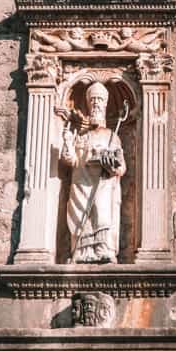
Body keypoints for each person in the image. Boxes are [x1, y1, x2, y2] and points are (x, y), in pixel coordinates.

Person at [60, 82, 126, 263]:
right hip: (81, 183)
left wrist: (111, 163)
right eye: (93, 100)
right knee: (81, 215)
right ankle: (82, 252)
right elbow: (71, 161)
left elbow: (121, 168)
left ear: (105, 106)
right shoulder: (81, 137)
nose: (96, 104)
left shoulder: (112, 136)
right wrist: (67, 143)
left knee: (102, 213)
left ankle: (103, 249)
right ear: (88, 105)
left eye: (99, 101)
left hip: (103, 184)